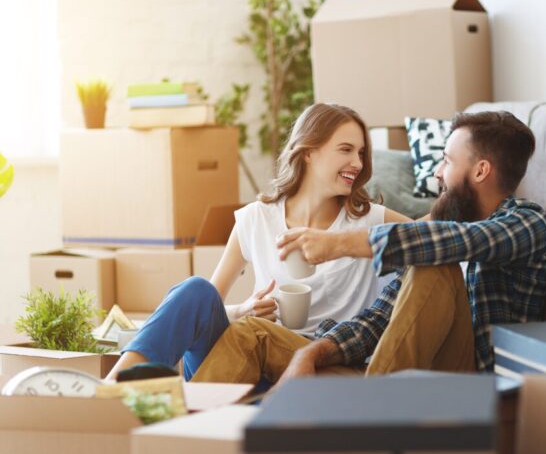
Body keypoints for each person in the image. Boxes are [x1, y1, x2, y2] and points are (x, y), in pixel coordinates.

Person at [190, 110, 546, 384]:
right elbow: (378, 319)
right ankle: (184, 439)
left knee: (435, 260)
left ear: (480, 171)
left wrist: (339, 244)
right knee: (249, 333)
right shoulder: (441, 235)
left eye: (446, 161)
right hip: (385, 376)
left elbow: (462, 242)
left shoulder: (526, 223)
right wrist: (312, 354)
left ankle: (367, 414)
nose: (437, 174)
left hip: (469, 384)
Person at [106, 103, 409, 381]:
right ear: (308, 151)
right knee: (196, 291)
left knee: (254, 334)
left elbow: (437, 232)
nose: (357, 162)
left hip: (318, 362)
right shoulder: (256, 219)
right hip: (246, 357)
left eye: (361, 153)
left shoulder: (371, 220)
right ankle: (113, 389)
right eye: (346, 150)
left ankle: (185, 415)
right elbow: (212, 307)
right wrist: (243, 310)